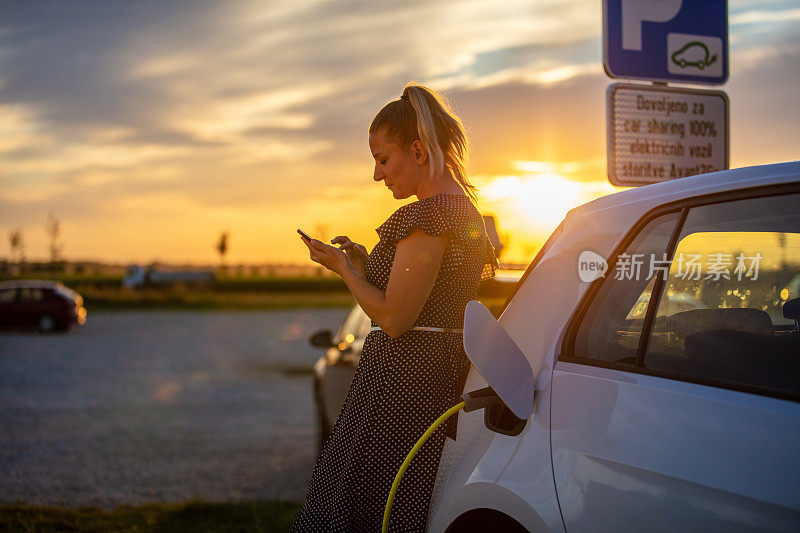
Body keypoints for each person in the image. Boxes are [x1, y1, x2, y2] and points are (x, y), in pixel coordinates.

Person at [293, 83, 497, 532]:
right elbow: (430, 298)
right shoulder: (462, 212)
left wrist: (345, 269)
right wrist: (367, 264)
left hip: (403, 383)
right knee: (408, 499)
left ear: (419, 151)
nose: (377, 175)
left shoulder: (427, 217)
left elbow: (395, 318)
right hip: (433, 375)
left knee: (375, 503)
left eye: (383, 160)